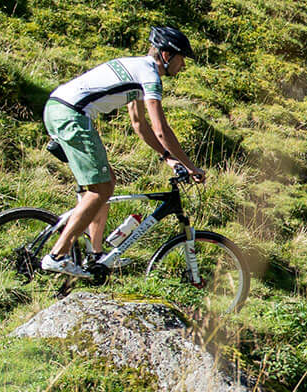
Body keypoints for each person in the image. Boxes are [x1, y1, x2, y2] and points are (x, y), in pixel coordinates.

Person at [40, 26, 206, 277]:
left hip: (59, 109)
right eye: (181, 58)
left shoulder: (138, 69)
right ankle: (58, 255)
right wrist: (191, 166)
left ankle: (96, 256)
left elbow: (139, 124)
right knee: (101, 189)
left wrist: (168, 158)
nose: (183, 66)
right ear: (165, 55)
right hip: (72, 114)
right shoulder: (150, 75)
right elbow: (160, 128)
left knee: (105, 184)